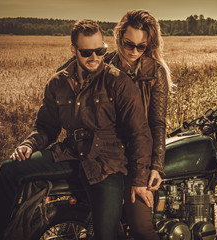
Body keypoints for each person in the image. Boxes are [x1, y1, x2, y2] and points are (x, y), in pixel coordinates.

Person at [0, 19, 153, 240]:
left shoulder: (118, 82)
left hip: (107, 163)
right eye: (87, 52)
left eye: (100, 51)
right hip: (70, 153)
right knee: (9, 169)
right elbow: (46, 127)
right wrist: (28, 144)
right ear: (73, 50)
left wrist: (139, 180)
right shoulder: (58, 82)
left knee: (105, 236)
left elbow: (139, 133)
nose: (95, 58)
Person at [58, 10, 172, 239]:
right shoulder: (102, 62)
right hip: (104, 152)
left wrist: (155, 165)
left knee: (141, 228)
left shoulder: (154, 72)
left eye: (142, 47)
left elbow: (157, 122)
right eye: (129, 44)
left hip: (137, 156)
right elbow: (67, 74)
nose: (134, 52)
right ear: (119, 37)